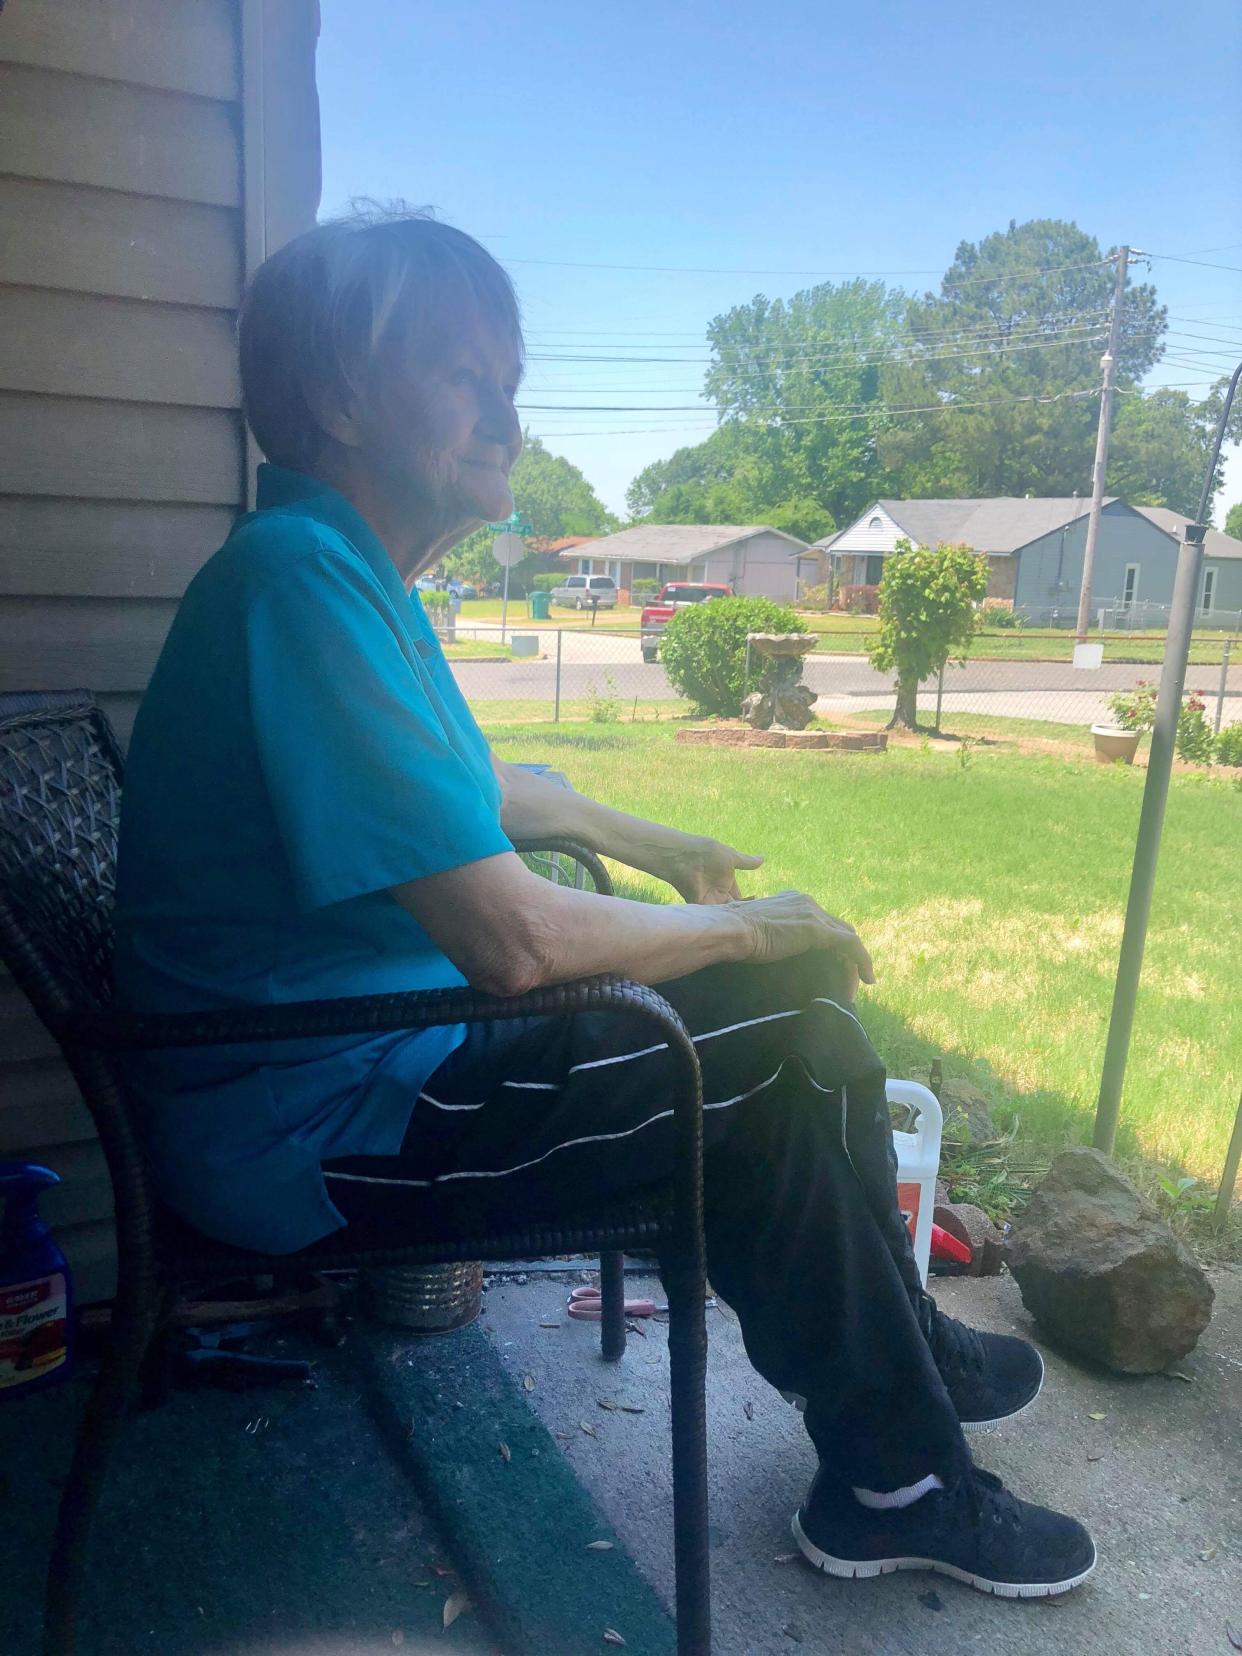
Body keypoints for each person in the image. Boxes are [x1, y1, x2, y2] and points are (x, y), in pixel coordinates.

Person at [115, 206, 1095, 1601]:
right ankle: (896, 1472)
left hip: (371, 1062)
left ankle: (899, 1371)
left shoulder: (341, 575)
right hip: (314, 1129)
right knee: (766, 1048)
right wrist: (750, 926)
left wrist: (655, 838)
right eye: (464, 376)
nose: (505, 416)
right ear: (336, 395)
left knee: (781, 1015)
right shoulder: (300, 588)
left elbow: (482, 792)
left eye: (510, 381)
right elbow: (515, 940)